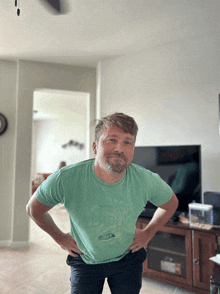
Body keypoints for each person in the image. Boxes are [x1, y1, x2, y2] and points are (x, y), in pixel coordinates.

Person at [26, 112, 178, 294]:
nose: (119, 148)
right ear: (95, 146)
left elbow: (170, 205)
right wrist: (60, 238)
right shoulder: (65, 179)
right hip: (85, 261)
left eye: (127, 142)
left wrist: (148, 233)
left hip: (128, 260)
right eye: (111, 140)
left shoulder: (146, 180)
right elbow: (33, 209)